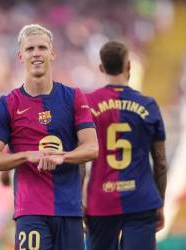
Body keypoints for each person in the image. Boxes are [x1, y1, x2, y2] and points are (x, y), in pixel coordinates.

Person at [0, 24, 98, 250]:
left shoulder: (74, 97)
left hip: (69, 210)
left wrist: (63, 157)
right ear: (20, 56)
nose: (36, 53)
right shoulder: (8, 103)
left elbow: (92, 148)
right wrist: (28, 155)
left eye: (42, 47)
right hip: (31, 211)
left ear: (52, 53)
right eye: (30, 49)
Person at [84, 41, 168, 250]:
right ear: (128, 66)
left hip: (100, 201)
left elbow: (80, 160)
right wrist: (159, 201)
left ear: (101, 68)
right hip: (142, 200)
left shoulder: (88, 104)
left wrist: (79, 200)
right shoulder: (148, 105)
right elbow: (161, 162)